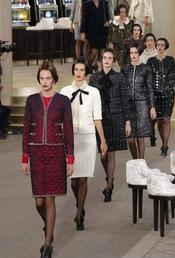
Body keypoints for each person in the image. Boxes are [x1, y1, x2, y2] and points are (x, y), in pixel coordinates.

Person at [22, 62, 74, 257]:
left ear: (54, 79)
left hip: (56, 153)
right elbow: (26, 129)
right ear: (39, 79)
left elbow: (68, 130)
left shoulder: (62, 101)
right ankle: (49, 227)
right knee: (39, 201)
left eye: (48, 78)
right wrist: (24, 157)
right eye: (42, 78)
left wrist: (70, 158)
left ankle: (48, 244)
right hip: (36, 153)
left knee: (50, 198)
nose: (45, 82)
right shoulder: (31, 101)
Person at [60, 58, 107, 231]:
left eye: (81, 70)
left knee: (83, 179)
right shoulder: (64, 91)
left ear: (86, 72)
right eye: (76, 70)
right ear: (73, 71)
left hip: (88, 138)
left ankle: (79, 215)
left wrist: (102, 140)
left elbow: (97, 118)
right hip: (70, 139)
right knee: (73, 181)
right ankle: (81, 205)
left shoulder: (94, 92)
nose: (79, 73)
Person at [89, 49, 131, 202]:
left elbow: (125, 101)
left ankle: (108, 187)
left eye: (110, 58)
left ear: (114, 61)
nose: (107, 60)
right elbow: (90, 101)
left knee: (111, 153)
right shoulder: (93, 78)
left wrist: (127, 121)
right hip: (99, 119)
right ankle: (110, 177)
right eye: (104, 57)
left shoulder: (120, 78)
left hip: (116, 117)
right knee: (103, 154)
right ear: (101, 60)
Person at [147, 38, 175, 157]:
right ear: (156, 46)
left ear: (165, 46)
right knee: (159, 120)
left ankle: (165, 146)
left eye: (162, 45)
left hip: (168, 94)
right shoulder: (150, 61)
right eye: (158, 45)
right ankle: (161, 141)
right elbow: (148, 79)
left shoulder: (171, 60)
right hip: (155, 94)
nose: (160, 46)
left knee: (166, 119)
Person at [122, 43, 156, 159]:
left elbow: (150, 88)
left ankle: (141, 162)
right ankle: (135, 160)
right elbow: (122, 88)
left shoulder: (146, 68)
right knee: (130, 138)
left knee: (140, 137)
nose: (133, 55)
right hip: (128, 105)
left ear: (139, 53)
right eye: (131, 53)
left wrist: (152, 106)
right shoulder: (125, 69)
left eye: (136, 52)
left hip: (142, 104)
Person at [80, 0, 111, 70]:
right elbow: (84, 19)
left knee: (103, 52)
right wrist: (82, 32)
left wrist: (107, 23)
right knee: (94, 52)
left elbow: (107, 16)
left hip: (102, 31)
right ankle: (88, 67)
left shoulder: (104, 3)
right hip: (91, 32)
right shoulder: (87, 4)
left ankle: (104, 71)